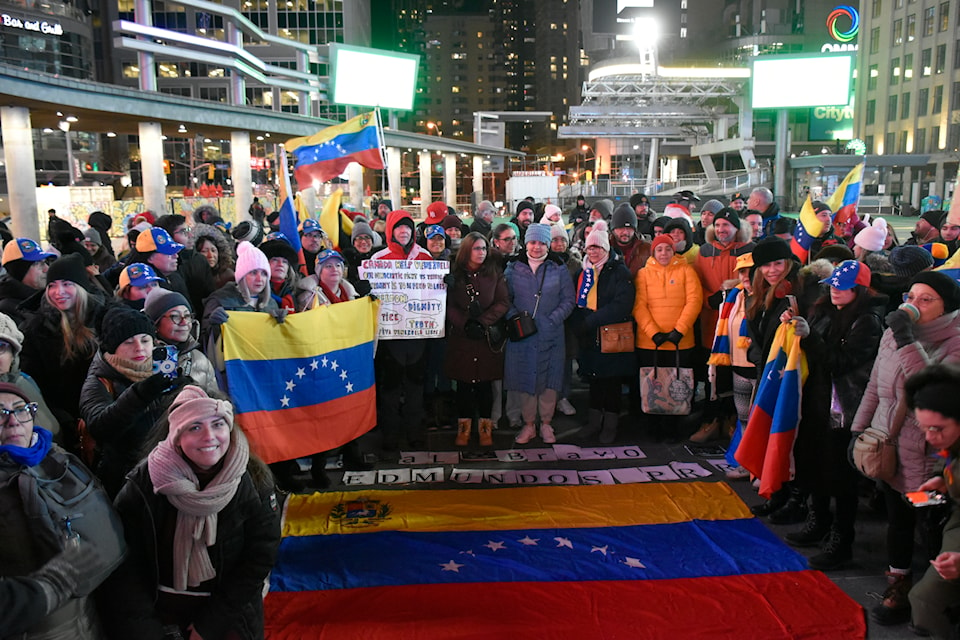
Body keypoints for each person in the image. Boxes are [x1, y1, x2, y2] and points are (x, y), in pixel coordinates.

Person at [104, 386, 281, 640]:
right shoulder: (144, 484)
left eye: (218, 424)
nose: (209, 436)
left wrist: (210, 624)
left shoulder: (255, 481)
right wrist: (146, 629)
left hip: (228, 613)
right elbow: (125, 565)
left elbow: (258, 559)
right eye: (195, 427)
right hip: (157, 611)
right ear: (176, 435)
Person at [851, 271, 960, 626]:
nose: (913, 305)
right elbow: (875, 386)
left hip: (930, 461)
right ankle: (898, 583)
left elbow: (926, 391)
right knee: (897, 518)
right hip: (891, 451)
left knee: (932, 524)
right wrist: (858, 428)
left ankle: (939, 597)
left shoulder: (954, 342)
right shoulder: (891, 335)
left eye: (926, 300)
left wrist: (905, 336)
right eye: (911, 296)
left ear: (947, 308)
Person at [780, 260, 886, 570]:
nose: (836, 292)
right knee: (813, 465)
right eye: (833, 286)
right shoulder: (824, 311)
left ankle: (842, 539)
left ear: (860, 290)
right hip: (816, 402)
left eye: (844, 287)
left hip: (844, 411)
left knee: (841, 478)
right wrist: (796, 325)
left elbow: (840, 362)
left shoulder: (868, 322)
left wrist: (810, 335)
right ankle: (818, 520)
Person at [0, 383, 109, 638]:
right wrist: (49, 587)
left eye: (21, 409)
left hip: (89, 621)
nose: (14, 421)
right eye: (0, 413)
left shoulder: (59, 460)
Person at [80, 305, 183, 497]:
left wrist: (188, 389)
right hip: (125, 479)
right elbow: (100, 426)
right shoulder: (99, 380)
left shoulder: (163, 367)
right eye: (128, 342)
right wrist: (140, 394)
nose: (139, 348)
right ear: (112, 347)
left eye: (145, 340)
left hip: (170, 469)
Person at [744, 237, 807, 522]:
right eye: (766, 265)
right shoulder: (758, 295)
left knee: (789, 439)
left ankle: (795, 499)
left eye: (777, 263)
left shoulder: (797, 294)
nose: (772, 270)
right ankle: (778, 495)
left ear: (788, 263)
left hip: (789, 379)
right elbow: (757, 337)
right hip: (767, 373)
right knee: (771, 434)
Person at [19, 254, 105, 454]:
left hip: (104, 415)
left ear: (81, 287)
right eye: (52, 285)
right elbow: (33, 383)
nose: (59, 292)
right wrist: (63, 419)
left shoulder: (105, 318)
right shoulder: (35, 329)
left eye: (67, 284)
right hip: (64, 425)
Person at [505, 223, 575, 444]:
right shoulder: (513, 267)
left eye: (542, 243)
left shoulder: (559, 267)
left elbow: (568, 300)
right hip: (523, 335)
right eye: (533, 242)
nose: (537, 247)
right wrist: (517, 319)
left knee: (549, 380)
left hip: (551, 334)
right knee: (525, 379)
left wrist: (552, 319)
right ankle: (528, 425)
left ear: (548, 245)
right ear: (526, 243)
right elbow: (505, 299)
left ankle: (546, 424)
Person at [371, 210, 433, 454]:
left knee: (416, 388)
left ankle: (414, 433)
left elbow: (434, 294)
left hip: (418, 335)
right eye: (399, 228)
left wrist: (442, 284)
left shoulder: (425, 257)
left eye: (408, 227)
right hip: (390, 337)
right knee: (390, 390)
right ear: (390, 231)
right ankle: (390, 436)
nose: (404, 231)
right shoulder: (379, 258)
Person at [692, 208, 756, 443]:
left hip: (738, 321)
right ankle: (712, 420)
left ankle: (732, 421)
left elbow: (753, 281)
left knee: (734, 375)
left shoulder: (749, 249)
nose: (721, 230)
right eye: (718, 226)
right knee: (713, 377)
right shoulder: (705, 251)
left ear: (736, 228)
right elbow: (696, 282)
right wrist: (710, 298)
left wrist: (731, 294)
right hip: (711, 322)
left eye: (726, 226)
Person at [905, 364, 960, 638]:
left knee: (926, 600)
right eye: (924, 428)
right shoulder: (952, 439)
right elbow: (949, 458)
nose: (929, 438)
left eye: (937, 429)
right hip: (955, 526)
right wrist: (941, 479)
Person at [570, 221, 636, 444]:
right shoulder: (582, 272)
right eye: (590, 248)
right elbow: (575, 301)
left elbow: (622, 304)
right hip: (590, 338)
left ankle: (610, 425)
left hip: (611, 335)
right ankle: (593, 422)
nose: (593, 252)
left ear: (607, 249)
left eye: (597, 247)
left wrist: (592, 320)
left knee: (612, 383)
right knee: (595, 381)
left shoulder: (619, 271)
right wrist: (580, 322)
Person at [633, 233, 703, 441]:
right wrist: (653, 332)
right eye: (659, 249)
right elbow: (639, 306)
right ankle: (652, 428)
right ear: (653, 252)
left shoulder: (687, 271)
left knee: (677, 387)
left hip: (680, 342)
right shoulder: (643, 274)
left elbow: (694, 301)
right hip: (650, 343)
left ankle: (674, 428)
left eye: (668, 249)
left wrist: (679, 330)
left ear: (674, 251)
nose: (664, 253)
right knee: (652, 386)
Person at [445, 232, 509, 447]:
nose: (481, 253)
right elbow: (448, 304)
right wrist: (464, 323)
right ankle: (463, 428)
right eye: (476, 248)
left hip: (485, 337)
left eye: (484, 248)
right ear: (467, 250)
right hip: (462, 339)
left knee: (484, 385)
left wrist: (482, 322)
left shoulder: (494, 272)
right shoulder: (455, 274)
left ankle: (484, 429)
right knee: (463, 386)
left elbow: (502, 302)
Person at [144, 287, 218, 396]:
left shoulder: (201, 360)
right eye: (175, 316)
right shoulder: (143, 357)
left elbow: (215, 400)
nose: (184, 322)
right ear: (155, 323)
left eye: (187, 316)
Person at [0, 238, 55, 325]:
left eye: (45, 262)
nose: (46, 269)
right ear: (20, 271)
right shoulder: (7, 309)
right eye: (38, 264)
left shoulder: (46, 296)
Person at [610, 203, 651, 277]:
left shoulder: (647, 249)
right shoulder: (605, 248)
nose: (625, 232)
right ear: (613, 229)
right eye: (621, 228)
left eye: (629, 228)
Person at [260, 238, 301, 313]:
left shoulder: (296, 292)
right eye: (275, 260)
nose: (280, 264)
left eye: (285, 262)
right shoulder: (255, 290)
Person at [193, 223, 236, 289]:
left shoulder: (228, 276)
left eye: (213, 250)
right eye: (204, 251)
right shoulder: (191, 277)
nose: (210, 255)